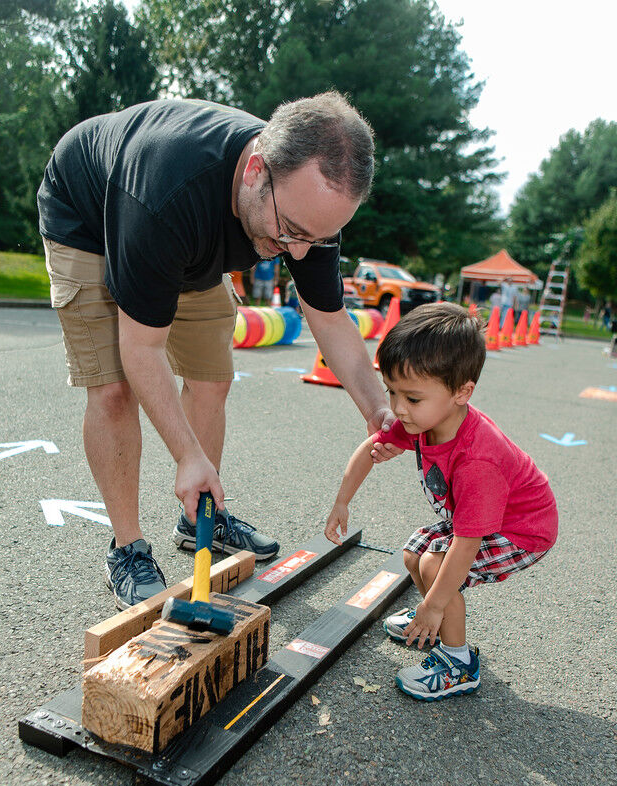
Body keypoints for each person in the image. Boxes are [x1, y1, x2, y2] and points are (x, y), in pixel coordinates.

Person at [37, 93, 395, 608]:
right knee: (115, 388)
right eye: (291, 231)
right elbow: (142, 349)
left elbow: (328, 316)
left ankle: (198, 518)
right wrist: (186, 455)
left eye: (316, 240)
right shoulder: (164, 194)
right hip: (90, 216)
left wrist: (376, 407)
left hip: (194, 238)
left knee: (211, 374)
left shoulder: (306, 209)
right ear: (255, 171)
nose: (297, 252)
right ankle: (127, 546)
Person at [324, 303, 558, 702]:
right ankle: (432, 623)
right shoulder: (424, 419)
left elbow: (466, 545)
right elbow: (370, 448)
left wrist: (433, 605)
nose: (398, 408)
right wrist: (342, 501)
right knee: (415, 552)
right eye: (392, 392)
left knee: (436, 564)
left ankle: (458, 661)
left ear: (462, 392)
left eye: (412, 398)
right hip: (485, 520)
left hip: (522, 531)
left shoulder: (478, 460)